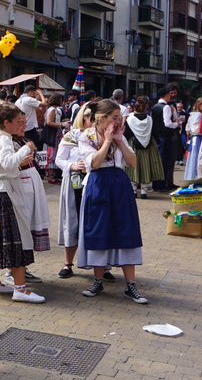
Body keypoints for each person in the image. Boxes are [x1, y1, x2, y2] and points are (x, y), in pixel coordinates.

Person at [0, 102, 48, 304]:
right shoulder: (4, 138)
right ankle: (20, 288)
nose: (21, 125)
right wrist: (26, 149)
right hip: (4, 194)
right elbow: (8, 163)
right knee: (16, 238)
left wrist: (18, 159)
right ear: (6, 122)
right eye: (18, 122)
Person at [78, 100, 147, 304]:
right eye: (114, 117)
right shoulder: (86, 136)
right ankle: (98, 280)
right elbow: (94, 163)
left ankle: (131, 285)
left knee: (126, 229)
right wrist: (107, 141)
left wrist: (119, 141)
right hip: (98, 184)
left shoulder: (119, 135)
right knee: (99, 229)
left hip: (119, 184)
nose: (118, 121)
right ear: (102, 118)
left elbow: (132, 162)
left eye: (119, 117)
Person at [55, 103, 99, 280]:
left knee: (97, 222)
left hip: (95, 182)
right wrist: (72, 166)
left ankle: (102, 266)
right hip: (73, 182)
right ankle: (68, 263)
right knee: (72, 221)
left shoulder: (100, 136)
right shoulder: (71, 136)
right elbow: (59, 159)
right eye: (92, 117)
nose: (95, 121)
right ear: (84, 117)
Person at [123, 97, 164, 199]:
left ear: (134, 108)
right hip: (148, 145)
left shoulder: (130, 120)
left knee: (133, 168)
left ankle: (133, 190)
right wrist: (157, 142)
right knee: (146, 167)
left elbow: (126, 134)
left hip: (133, 145)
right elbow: (155, 133)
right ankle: (144, 191)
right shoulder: (150, 119)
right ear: (145, 108)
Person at [150, 84, 180, 191]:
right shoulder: (166, 107)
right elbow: (167, 123)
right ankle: (162, 184)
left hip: (157, 136)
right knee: (165, 161)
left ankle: (156, 184)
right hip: (166, 136)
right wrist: (176, 124)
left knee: (158, 161)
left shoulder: (155, 107)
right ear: (166, 95)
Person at [41, 93, 68, 183]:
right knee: (51, 153)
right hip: (52, 134)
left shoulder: (53, 109)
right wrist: (62, 124)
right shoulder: (53, 110)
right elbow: (49, 122)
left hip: (54, 133)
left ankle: (51, 175)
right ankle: (51, 176)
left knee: (52, 153)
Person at [184, 97, 202, 181]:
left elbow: (187, 128)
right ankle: (195, 177)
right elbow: (195, 129)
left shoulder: (192, 114)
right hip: (198, 138)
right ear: (199, 105)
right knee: (196, 158)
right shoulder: (198, 115)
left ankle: (192, 177)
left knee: (194, 158)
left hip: (194, 138)